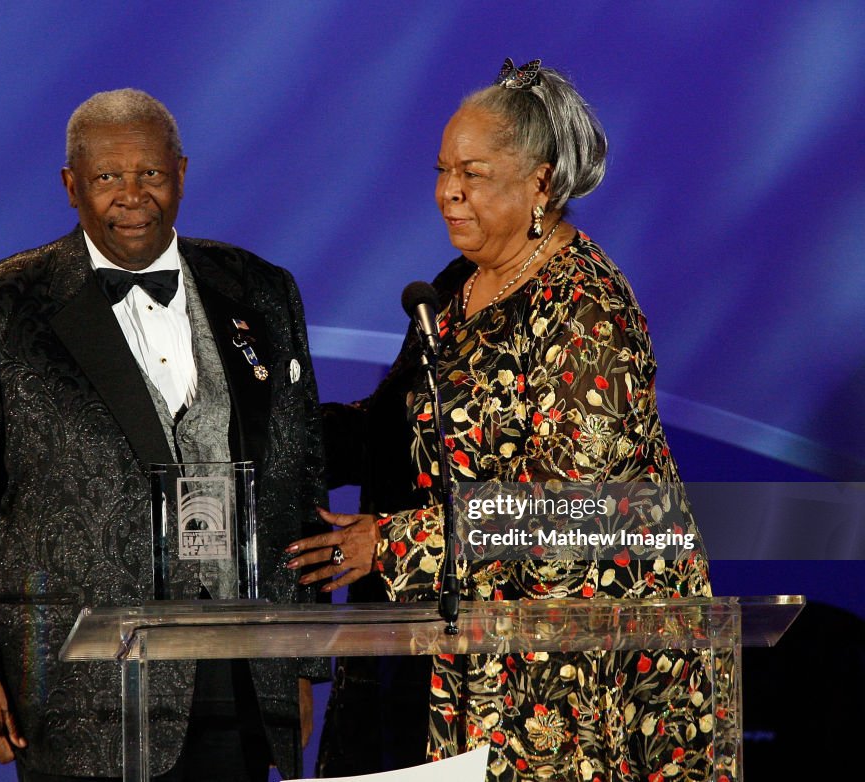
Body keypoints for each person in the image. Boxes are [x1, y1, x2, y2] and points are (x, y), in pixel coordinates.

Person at [288, 59, 716, 780]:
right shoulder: (460, 285)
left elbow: (582, 510)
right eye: (442, 169)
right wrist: (282, 435)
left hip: (569, 670)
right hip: (457, 646)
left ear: (541, 184)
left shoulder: (587, 309)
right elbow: (408, 429)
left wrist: (392, 544)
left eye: (473, 173)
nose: (447, 193)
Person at [0, 89, 328, 782]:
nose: (133, 195)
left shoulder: (260, 289)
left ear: (183, 174)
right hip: (81, 689)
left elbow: (296, 480)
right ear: (71, 185)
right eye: (107, 177)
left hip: (243, 669)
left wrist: (303, 662)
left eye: (152, 174)